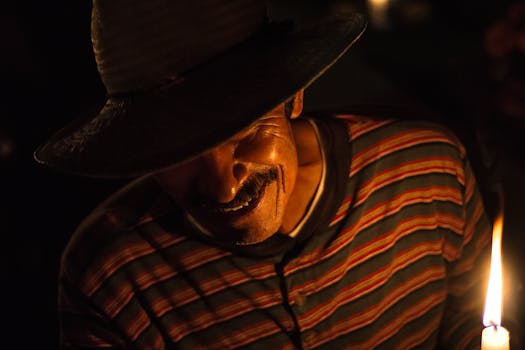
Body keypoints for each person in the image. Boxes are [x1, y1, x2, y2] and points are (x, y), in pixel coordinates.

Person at [35, 0, 493, 348]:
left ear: (292, 98)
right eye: (177, 154)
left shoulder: (427, 169)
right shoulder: (112, 277)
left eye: (244, 133)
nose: (223, 185)